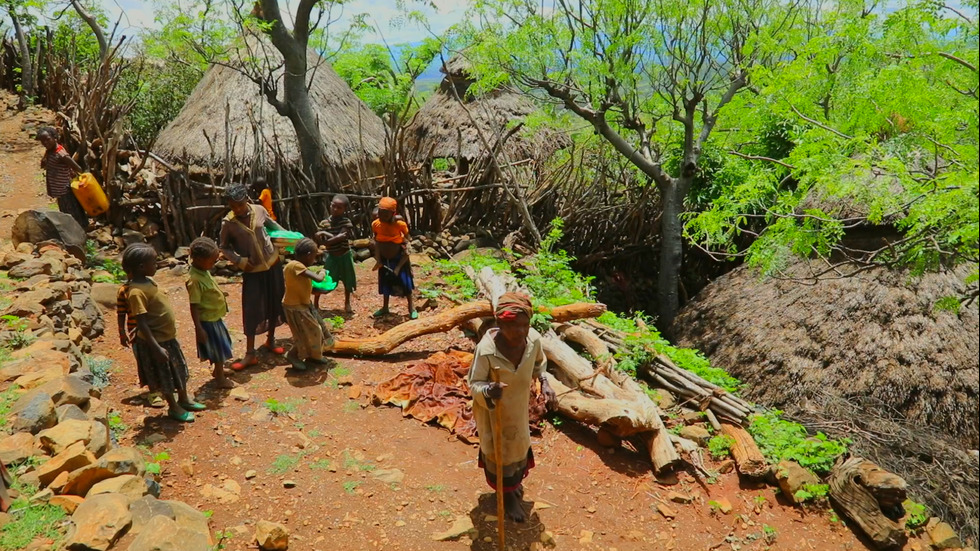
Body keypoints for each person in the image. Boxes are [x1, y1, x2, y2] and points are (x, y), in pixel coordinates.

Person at [467, 293, 556, 523]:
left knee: (517, 446)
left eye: (525, 325)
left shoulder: (533, 341)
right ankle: (507, 497)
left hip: (517, 407)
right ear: (500, 325)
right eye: (515, 327)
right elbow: (474, 383)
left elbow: (539, 364)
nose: (522, 332)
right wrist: (488, 390)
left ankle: (512, 487)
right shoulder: (486, 350)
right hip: (494, 411)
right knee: (500, 451)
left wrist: (545, 382)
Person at [121, 243, 205, 422]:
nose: (157, 264)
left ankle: (183, 399)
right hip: (156, 342)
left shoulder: (148, 281)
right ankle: (173, 407)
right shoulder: (136, 292)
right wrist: (155, 347)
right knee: (164, 375)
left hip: (168, 337)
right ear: (142, 267)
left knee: (179, 369)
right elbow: (141, 322)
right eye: (153, 262)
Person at [219, 183, 287, 370]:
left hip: (272, 264)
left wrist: (289, 241)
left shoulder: (259, 210)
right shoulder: (229, 223)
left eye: (240, 204)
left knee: (274, 301)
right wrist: (239, 261)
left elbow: (275, 228)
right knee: (252, 309)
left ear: (247, 200)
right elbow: (223, 247)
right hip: (252, 271)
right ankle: (250, 354)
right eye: (233, 206)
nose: (238, 209)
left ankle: (270, 341)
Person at [186, 237, 235, 389]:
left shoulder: (203, 271)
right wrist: (198, 328)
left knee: (220, 345)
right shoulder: (194, 280)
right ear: (199, 259)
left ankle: (218, 370)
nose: (214, 264)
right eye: (212, 261)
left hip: (215, 317)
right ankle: (220, 378)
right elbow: (194, 306)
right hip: (208, 321)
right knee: (218, 349)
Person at [282, 238, 334, 371]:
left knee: (313, 331)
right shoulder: (295, 265)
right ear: (308, 254)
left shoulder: (297, 267)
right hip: (295, 307)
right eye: (314, 256)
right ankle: (293, 355)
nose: (315, 260)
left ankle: (314, 356)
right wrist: (323, 272)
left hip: (302, 304)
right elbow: (318, 278)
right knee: (305, 333)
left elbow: (305, 284)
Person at [117, 281, 164, 408]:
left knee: (160, 359)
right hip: (137, 334)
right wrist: (122, 333)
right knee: (146, 362)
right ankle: (154, 392)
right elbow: (121, 313)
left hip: (156, 330)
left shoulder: (151, 285)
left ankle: (164, 387)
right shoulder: (124, 290)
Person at [371, 196, 417, 319]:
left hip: (398, 258)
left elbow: (407, 237)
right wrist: (378, 258)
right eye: (380, 213)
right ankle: (385, 307)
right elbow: (377, 240)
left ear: (393, 213)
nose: (382, 216)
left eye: (385, 214)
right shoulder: (376, 224)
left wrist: (407, 246)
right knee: (385, 284)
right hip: (384, 259)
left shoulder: (399, 224)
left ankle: (411, 308)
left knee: (405, 284)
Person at [36, 126, 88, 230]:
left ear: (55, 137)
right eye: (43, 141)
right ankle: (74, 230)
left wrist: (79, 174)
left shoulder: (60, 153)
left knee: (70, 211)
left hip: (65, 189)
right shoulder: (50, 151)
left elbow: (77, 167)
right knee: (66, 211)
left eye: (47, 139)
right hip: (59, 189)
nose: (45, 143)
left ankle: (77, 231)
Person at [314, 194, 356, 315]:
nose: (335, 209)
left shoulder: (346, 222)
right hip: (331, 256)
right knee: (324, 279)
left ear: (345, 209)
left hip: (345, 256)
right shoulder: (324, 223)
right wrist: (327, 238)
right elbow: (322, 239)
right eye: (333, 206)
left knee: (348, 280)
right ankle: (316, 304)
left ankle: (347, 303)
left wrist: (325, 237)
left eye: (339, 207)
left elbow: (342, 236)